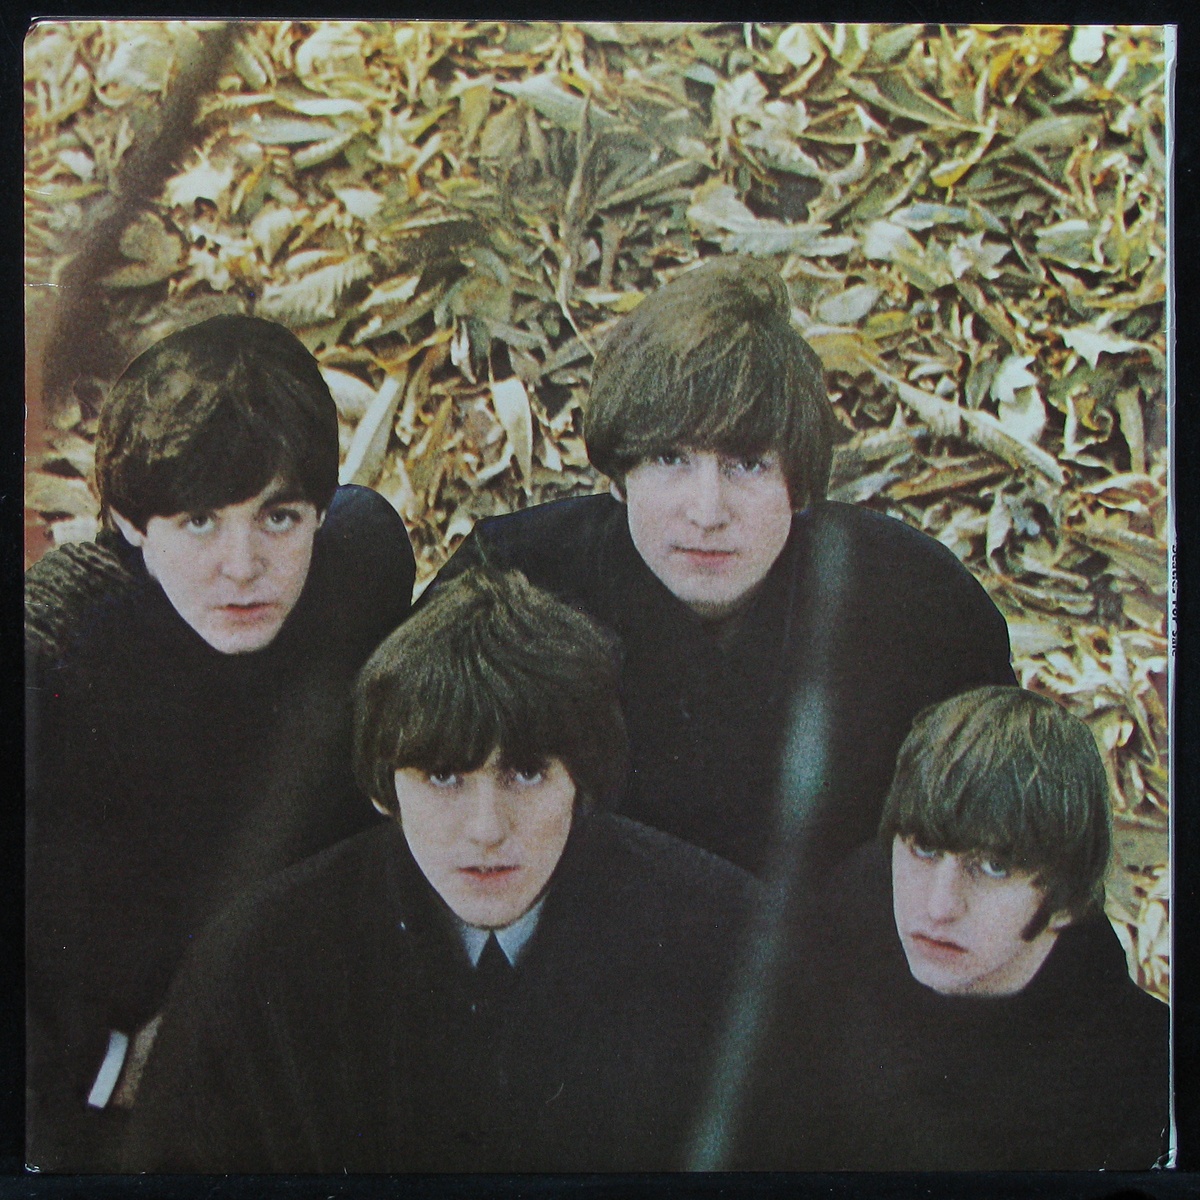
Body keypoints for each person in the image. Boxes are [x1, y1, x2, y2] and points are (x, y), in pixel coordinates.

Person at [123, 568, 759, 1173]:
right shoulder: (258, 961)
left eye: (527, 772)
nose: (486, 828)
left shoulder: (728, 941)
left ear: (581, 778)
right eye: (443, 776)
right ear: (385, 789)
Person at [428, 256, 1015, 877]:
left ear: (798, 483)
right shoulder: (514, 577)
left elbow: (1014, 831)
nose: (707, 512)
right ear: (619, 475)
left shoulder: (915, 603)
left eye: (748, 464)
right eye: (669, 459)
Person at [26, 315, 416, 1170]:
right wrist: (104, 1065)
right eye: (200, 521)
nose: (243, 565)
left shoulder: (362, 563)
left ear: (320, 511)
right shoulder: (53, 658)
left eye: (279, 516)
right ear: (130, 522)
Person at [733, 686, 1169, 1170]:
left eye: (994, 867)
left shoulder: (1142, 1079)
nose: (938, 908)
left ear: (1068, 899)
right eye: (924, 849)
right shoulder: (833, 934)